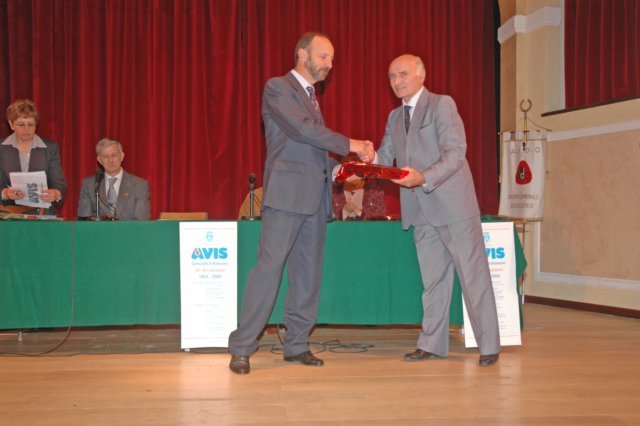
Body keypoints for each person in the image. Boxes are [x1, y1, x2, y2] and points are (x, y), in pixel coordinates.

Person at [227, 32, 373, 375]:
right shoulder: (278, 88)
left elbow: (313, 148)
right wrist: (351, 144)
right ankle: (242, 346)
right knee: (269, 270)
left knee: (307, 275)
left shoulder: (311, 98)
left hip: (315, 199)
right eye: (324, 56)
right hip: (286, 196)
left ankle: (296, 344)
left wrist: (339, 169)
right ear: (302, 55)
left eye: (332, 58)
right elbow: (302, 130)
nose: (330, 64)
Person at [373, 54, 500, 366]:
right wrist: (366, 159)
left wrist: (424, 177)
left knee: (473, 277)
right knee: (433, 282)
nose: (396, 81)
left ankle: (489, 346)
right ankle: (431, 344)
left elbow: (456, 153)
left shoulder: (442, 104)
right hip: (419, 211)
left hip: (453, 206)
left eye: (403, 74)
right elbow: (385, 157)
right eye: (392, 76)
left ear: (421, 75)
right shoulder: (394, 117)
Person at [1, 99, 67, 215]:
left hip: (42, 212)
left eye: (31, 124)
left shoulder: (50, 148)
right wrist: (4, 193)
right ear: (11, 124)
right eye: (21, 124)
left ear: (36, 124)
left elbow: (59, 182)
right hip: (8, 213)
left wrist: (56, 193)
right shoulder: (1, 148)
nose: (26, 129)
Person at [77, 138, 150, 220]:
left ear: (122, 156)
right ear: (99, 160)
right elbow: (84, 220)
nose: (110, 160)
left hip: (130, 229)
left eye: (114, 155)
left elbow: (141, 220)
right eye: (105, 157)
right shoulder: (89, 185)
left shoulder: (139, 185)